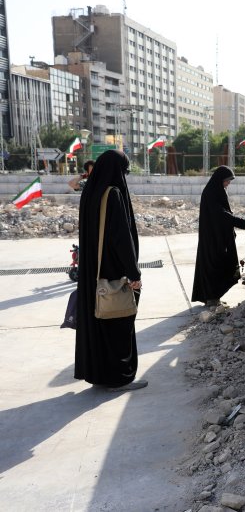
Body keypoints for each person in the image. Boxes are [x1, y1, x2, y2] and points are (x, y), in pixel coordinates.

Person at [75, 150, 146, 391]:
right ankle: (120, 377)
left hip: (92, 275)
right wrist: (134, 274)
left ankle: (101, 375)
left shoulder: (91, 192)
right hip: (113, 272)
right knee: (119, 322)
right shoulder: (113, 194)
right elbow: (121, 239)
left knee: (99, 323)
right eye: (124, 171)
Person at [192, 166, 245, 307]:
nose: (228, 184)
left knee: (219, 264)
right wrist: (244, 223)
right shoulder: (211, 193)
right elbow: (222, 215)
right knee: (214, 265)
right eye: (227, 181)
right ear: (220, 180)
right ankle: (212, 298)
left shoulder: (217, 191)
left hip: (217, 237)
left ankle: (213, 297)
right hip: (212, 238)